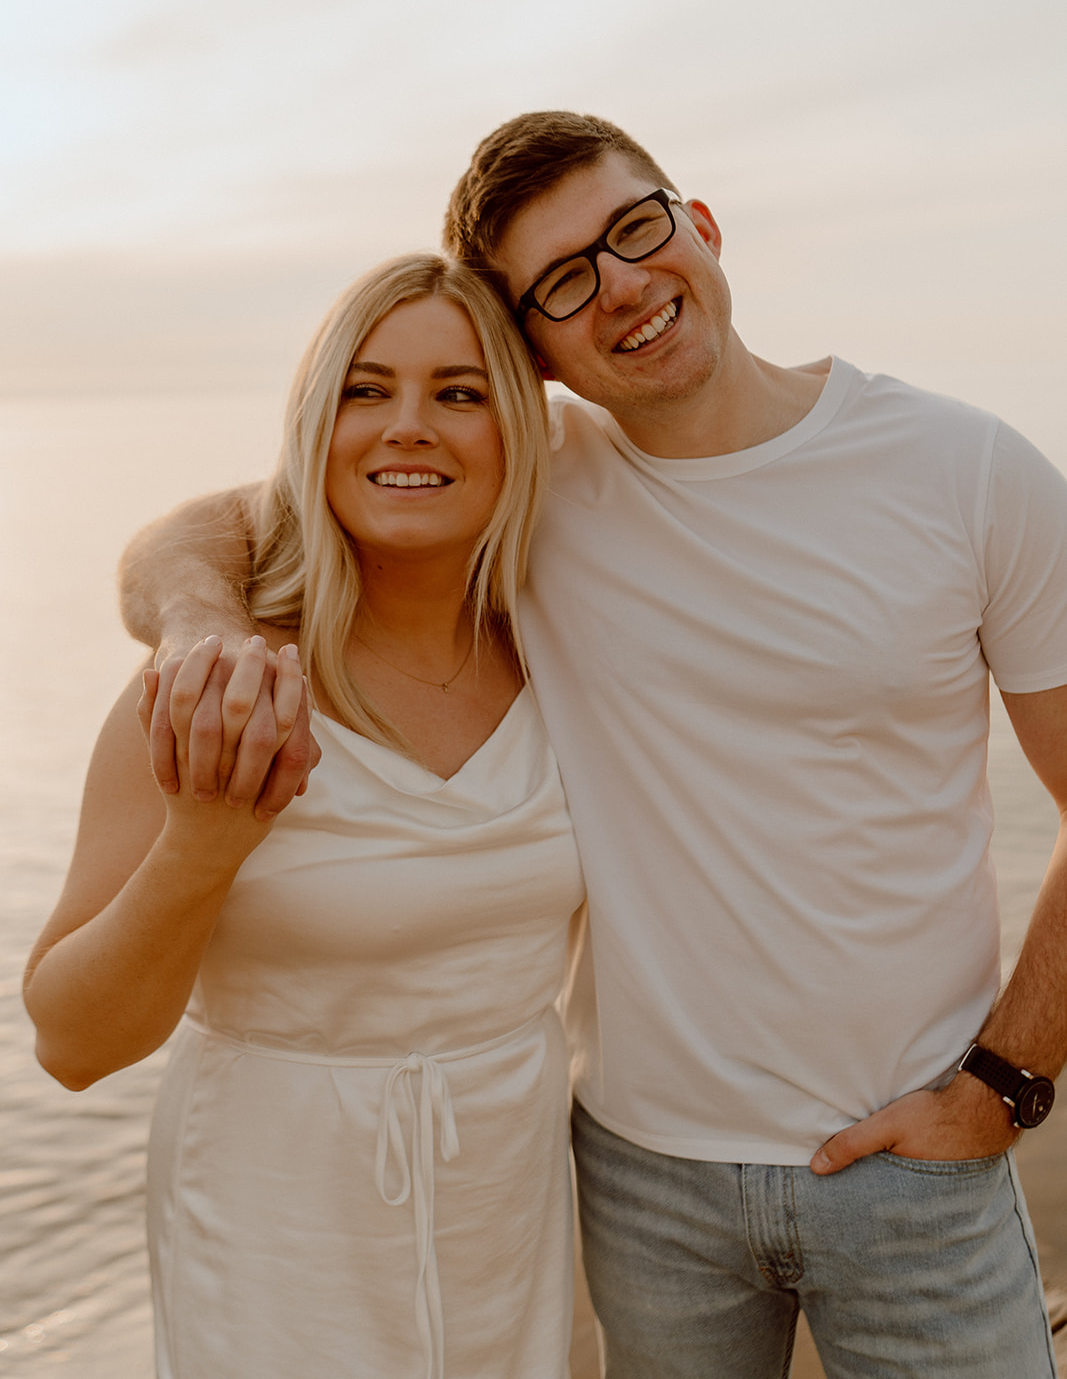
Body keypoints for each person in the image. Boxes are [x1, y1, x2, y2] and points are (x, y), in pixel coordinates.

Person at [117, 113, 1067, 1378]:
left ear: (700, 224)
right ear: (538, 352)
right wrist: (197, 627)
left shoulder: (968, 471)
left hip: (914, 1164)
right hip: (635, 1175)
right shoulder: (531, 482)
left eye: (634, 229)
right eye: (564, 281)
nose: (620, 284)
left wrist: (1004, 1083)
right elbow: (214, 526)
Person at [24, 254, 586, 1379]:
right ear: (310, 425)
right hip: (278, 1222)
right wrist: (205, 840)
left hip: (514, 1199)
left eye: (459, 393)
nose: (408, 427)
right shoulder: (219, 689)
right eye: (364, 391)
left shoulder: (571, 647)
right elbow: (73, 1043)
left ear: (520, 429)